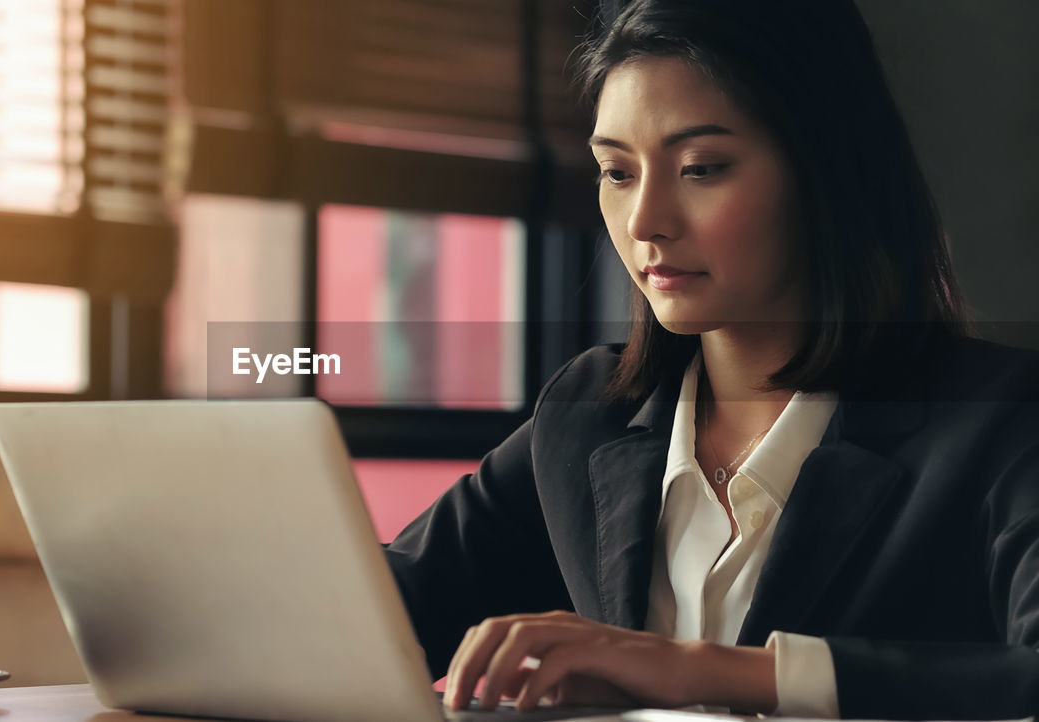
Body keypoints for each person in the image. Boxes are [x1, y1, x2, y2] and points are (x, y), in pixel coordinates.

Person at [382, 0, 1039, 718]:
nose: (644, 222)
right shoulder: (590, 412)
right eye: (617, 171)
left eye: (701, 168)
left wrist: (707, 671)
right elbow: (381, 612)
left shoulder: (1002, 424)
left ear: (825, 171)